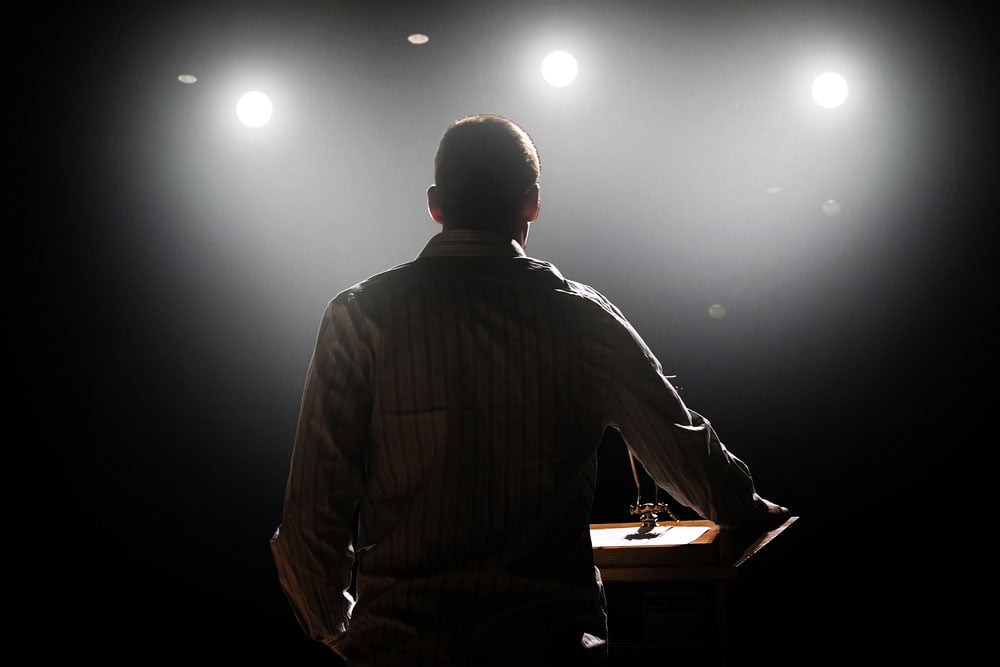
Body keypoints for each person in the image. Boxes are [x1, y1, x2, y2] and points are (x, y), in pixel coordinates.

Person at [270, 113, 789, 666]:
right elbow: (689, 459)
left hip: (400, 654)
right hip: (548, 655)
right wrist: (754, 510)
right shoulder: (583, 319)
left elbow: (310, 520)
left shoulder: (357, 317)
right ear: (532, 203)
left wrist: (341, 633)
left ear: (435, 203)